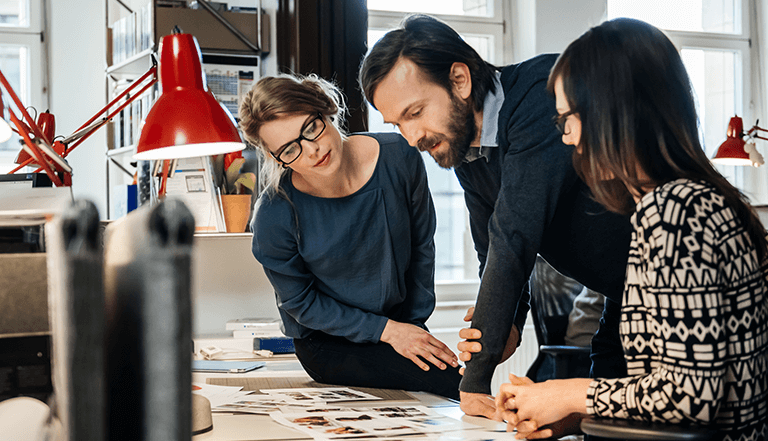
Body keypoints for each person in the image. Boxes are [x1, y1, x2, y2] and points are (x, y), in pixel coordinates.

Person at [496, 18, 768, 440]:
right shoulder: (695, 199)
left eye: (569, 117)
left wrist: (571, 394)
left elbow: (691, 395)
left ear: (614, 112)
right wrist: (574, 417)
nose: (567, 137)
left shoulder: (675, 211)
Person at [359, 14, 632, 419]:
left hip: (669, 288)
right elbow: (493, 249)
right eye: (398, 124)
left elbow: (514, 235)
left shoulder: (541, 94)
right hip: (622, 294)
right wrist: (510, 326)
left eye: (415, 112)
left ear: (460, 80)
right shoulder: (467, 150)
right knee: (606, 424)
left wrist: (474, 379)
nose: (412, 137)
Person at [240, 74, 462, 400]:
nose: (312, 150)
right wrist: (387, 331)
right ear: (277, 158)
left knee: (451, 380)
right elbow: (301, 303)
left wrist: (410, 328)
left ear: (325, 111)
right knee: (453, 383)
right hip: (326, 343)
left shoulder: (399, 157)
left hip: (399, 325)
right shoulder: (275, 215)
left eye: (311, 128)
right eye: (290, 149)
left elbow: (421, 247)